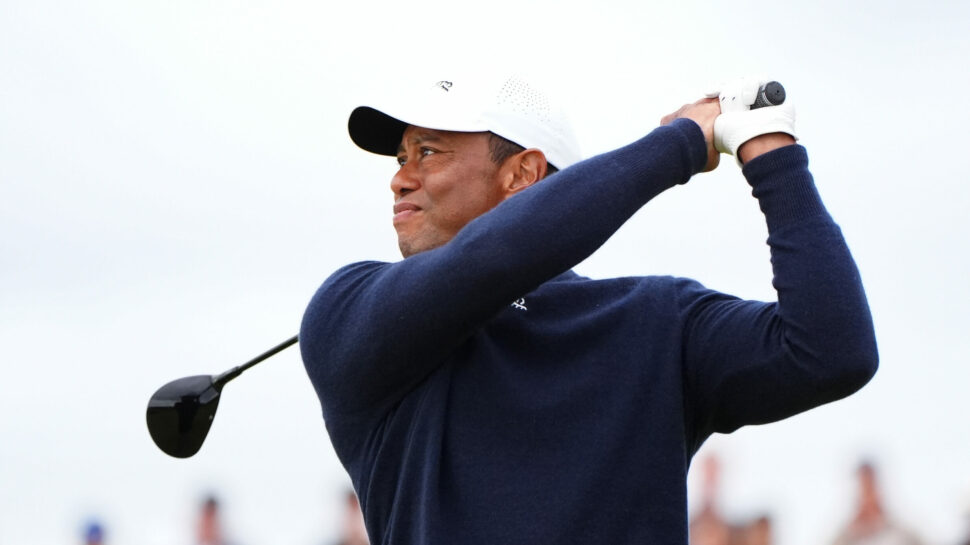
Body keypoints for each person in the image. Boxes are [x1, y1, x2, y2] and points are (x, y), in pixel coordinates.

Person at [300, 72, 878, 544]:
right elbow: (495, 258)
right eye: (401, 158)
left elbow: (831, 350)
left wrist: (772, 154)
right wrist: (675, 144)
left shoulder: (657, 321)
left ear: (523, 174)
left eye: (428, 152)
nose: (400, 180)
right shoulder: (348, 311)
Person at [831, 461, 924, 545]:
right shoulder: (843, 539)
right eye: (863, 488)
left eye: (870, 488)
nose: (867, 497)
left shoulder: (903, 534)